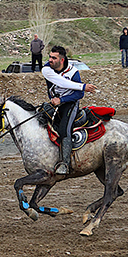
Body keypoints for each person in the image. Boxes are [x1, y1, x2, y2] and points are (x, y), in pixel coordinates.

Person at [41, 45, 98, 175]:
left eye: (53, 58)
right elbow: (61, 83)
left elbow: (79, 95)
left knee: (64, 129)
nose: (50, 60)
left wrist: (62, 100)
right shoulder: (46, 69)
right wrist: (83, 86)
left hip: (70, 104)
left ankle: (65, 164)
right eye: (49, 57)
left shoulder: (73, 72)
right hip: (55, 102)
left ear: (61, 60)